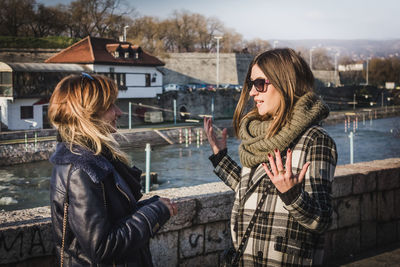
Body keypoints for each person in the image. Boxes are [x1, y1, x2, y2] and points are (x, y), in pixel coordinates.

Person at [204, 48, 337, 266]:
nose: (252, 93)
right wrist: (221, 159)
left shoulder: (314, 140)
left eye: (259, 84)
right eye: (250, 85)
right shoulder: (260, 136)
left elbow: (321, 220)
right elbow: (252, 189)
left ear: (285, 83)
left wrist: (292, 195)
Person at [48, 73, 177, 267]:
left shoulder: (95, 159)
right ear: (88, 114)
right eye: (110, 106)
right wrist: (155, 212)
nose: (119, 112)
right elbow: (102, 247)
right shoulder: (81, 170)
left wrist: (152, 205)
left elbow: (116, 219)